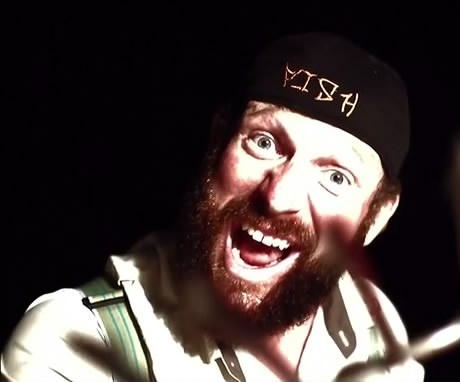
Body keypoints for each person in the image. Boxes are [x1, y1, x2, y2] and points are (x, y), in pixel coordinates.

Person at [1, 32, 424, 381]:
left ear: (376, 218)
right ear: (218, 140)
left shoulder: (374, 328)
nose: (278, 197)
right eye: (264, 143)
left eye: (336, 178)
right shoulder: (76, 344)